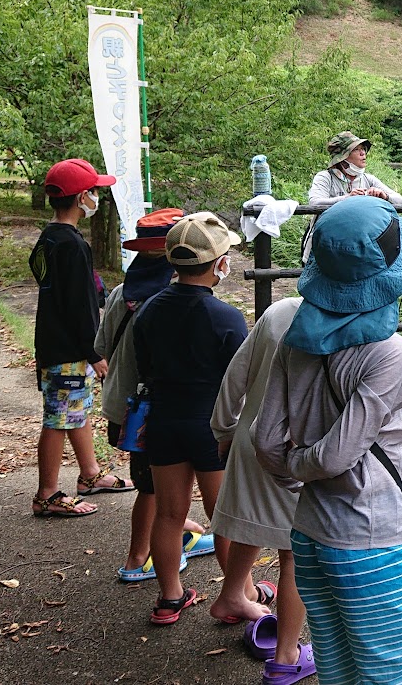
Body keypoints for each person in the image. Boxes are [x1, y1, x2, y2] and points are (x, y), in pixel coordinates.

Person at [253, 196, 402, 685]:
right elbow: (336, 455)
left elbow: (265, 439)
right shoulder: (390, 355)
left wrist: (291, 472)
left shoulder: (295, 342)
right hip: (371, 535)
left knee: (339, 667)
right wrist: (304, 466)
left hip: (308, 533)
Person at [133, 212, 249, 625]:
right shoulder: (226, 318)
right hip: (212, 427)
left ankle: (169, 597)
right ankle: (242, 594)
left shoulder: (149, 309)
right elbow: (243, 378)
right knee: (224, 516)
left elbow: (143, 367)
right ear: (220, 263)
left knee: (168, 513)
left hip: (164, 421)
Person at [96, 208, 216, 582]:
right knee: (151, 488)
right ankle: (137, 558)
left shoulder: (121, 293)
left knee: (160, 484)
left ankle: (175, 536)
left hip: (124, 405)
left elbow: (102, 347)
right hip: (155, 411)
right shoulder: (170, 299)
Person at [210, 296, 313, 684]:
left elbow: (236, 376)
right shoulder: (352, 323)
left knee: (252, 520)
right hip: (296, 450)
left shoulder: (280, 311)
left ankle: (231, 596)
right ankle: (287, 656)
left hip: (249, 436)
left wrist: (224, 429)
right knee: (296, 551)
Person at [28, 158, 132, 518]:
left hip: (53, 340)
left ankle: (90, 474)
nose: (96, 198)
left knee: (75, 409)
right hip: (69, 349)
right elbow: (79, 305)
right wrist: (94, 351)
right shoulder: (72, 245)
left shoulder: (49, 238)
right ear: (80, 198)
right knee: (59, 417)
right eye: (93, 192)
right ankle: (47, 494)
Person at [307, 131, 401, 205]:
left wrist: (384, 196)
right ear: (342, 157)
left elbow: (399, 200)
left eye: (363, 149)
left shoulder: (368, 179)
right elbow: (315, 203)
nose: (363, 153)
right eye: (356, 149)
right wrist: (347, 198)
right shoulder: (325, 177)